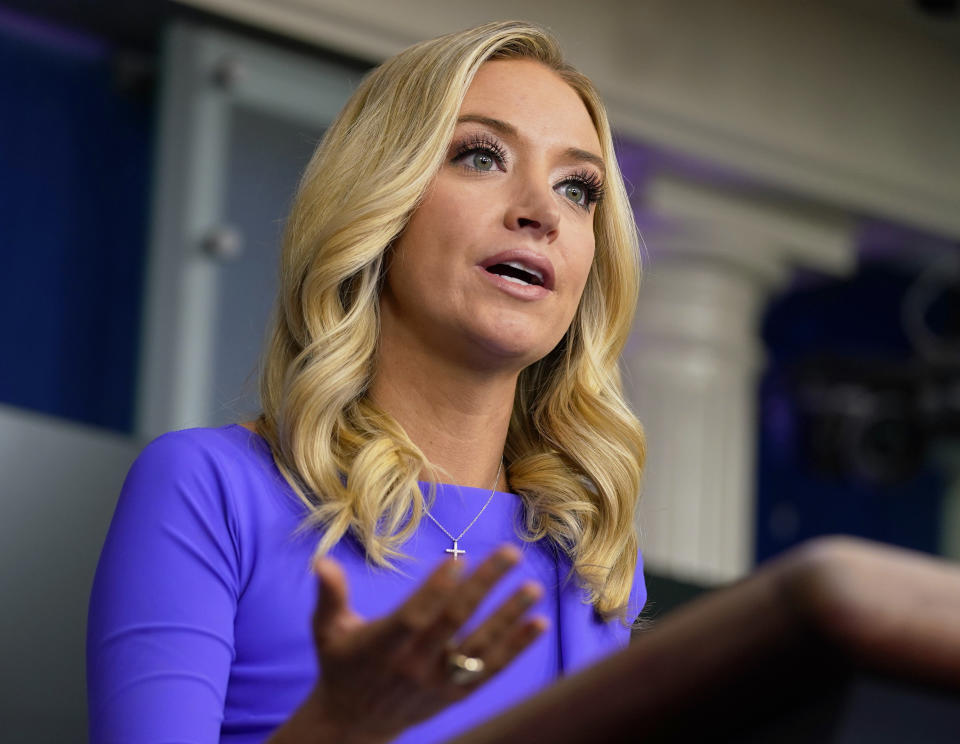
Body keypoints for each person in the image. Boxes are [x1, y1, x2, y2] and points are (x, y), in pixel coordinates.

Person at [87, 19, 647, 744]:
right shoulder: (209, 488)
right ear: (379, 202)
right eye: (481, 155)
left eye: (578, 188)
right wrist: (337, 728)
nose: (541, 212)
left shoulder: (589, 557)